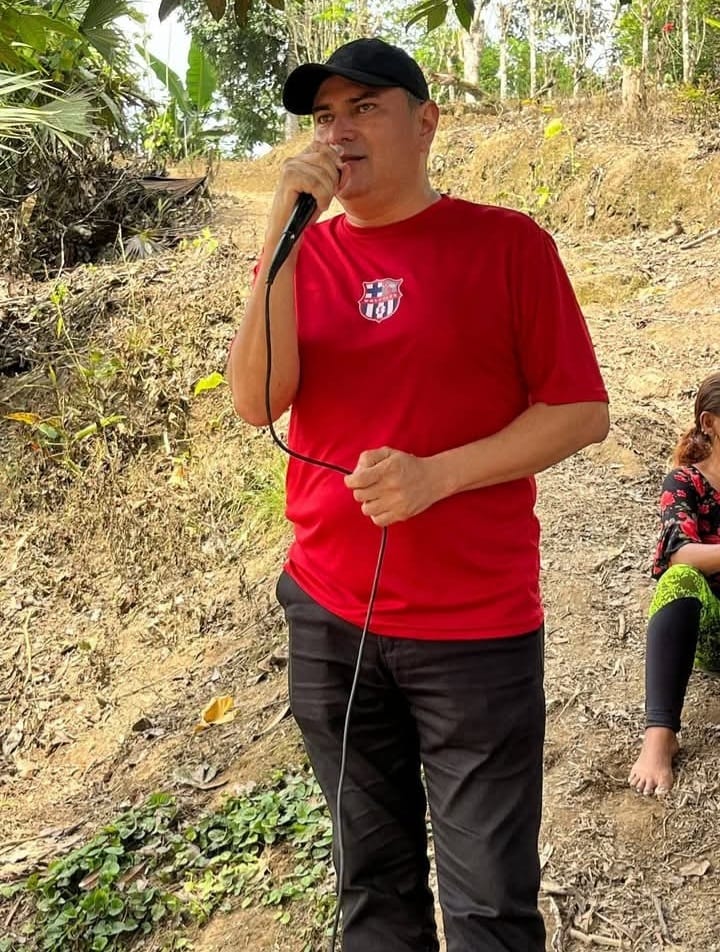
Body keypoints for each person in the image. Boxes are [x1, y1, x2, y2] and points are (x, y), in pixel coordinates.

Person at [227, 37, 609, 952]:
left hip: (475, 631)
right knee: (372, 888)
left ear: (426, 122)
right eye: (325, 116)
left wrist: (437, 476)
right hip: (331, 619)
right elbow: (256, 400)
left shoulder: (508, 244)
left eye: (365, 108)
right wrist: (281, 228)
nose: (340, 132)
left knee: (489, 908)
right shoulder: (303, 256)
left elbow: (581, 413)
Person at [629, 371, 720, 797]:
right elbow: (679, 552)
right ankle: (660, 735)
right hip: (712, 628)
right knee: (679, 579)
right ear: (709, 423)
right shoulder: (686, 482)